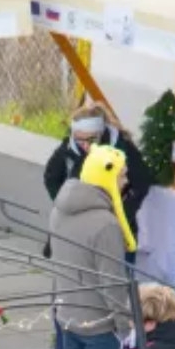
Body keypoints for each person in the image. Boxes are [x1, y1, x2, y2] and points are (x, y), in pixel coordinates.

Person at [50, 145, 133, 349]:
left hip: (68, 316)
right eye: (122, 177)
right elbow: (112, 283)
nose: (126, 182)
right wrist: (126, 326)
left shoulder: (59, 209)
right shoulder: (105, 223)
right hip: (100, 326)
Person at [43, 101, 152, 246]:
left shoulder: (121, 147)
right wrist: (65, 205)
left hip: (112, 225)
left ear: (101, 132)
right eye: (79, 139)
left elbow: (142, 182)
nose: (85, 145)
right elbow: (51, 177)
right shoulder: (69, 147)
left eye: (91, 139)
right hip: (75, 225)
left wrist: (120, 216)